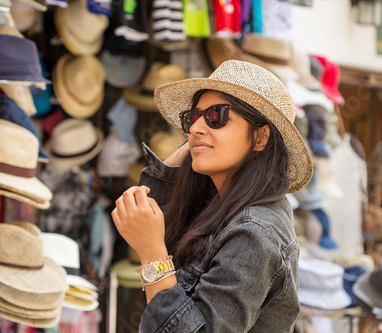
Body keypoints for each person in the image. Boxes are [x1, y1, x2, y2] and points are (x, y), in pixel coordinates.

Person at [111, 60, 313, 332]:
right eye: (192, 118)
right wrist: (199, 142)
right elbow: (159, 208)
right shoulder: (220, 203)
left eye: (217, 116)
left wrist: (152, 256)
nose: (194, 128)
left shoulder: (253, 232)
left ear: (261, 138)